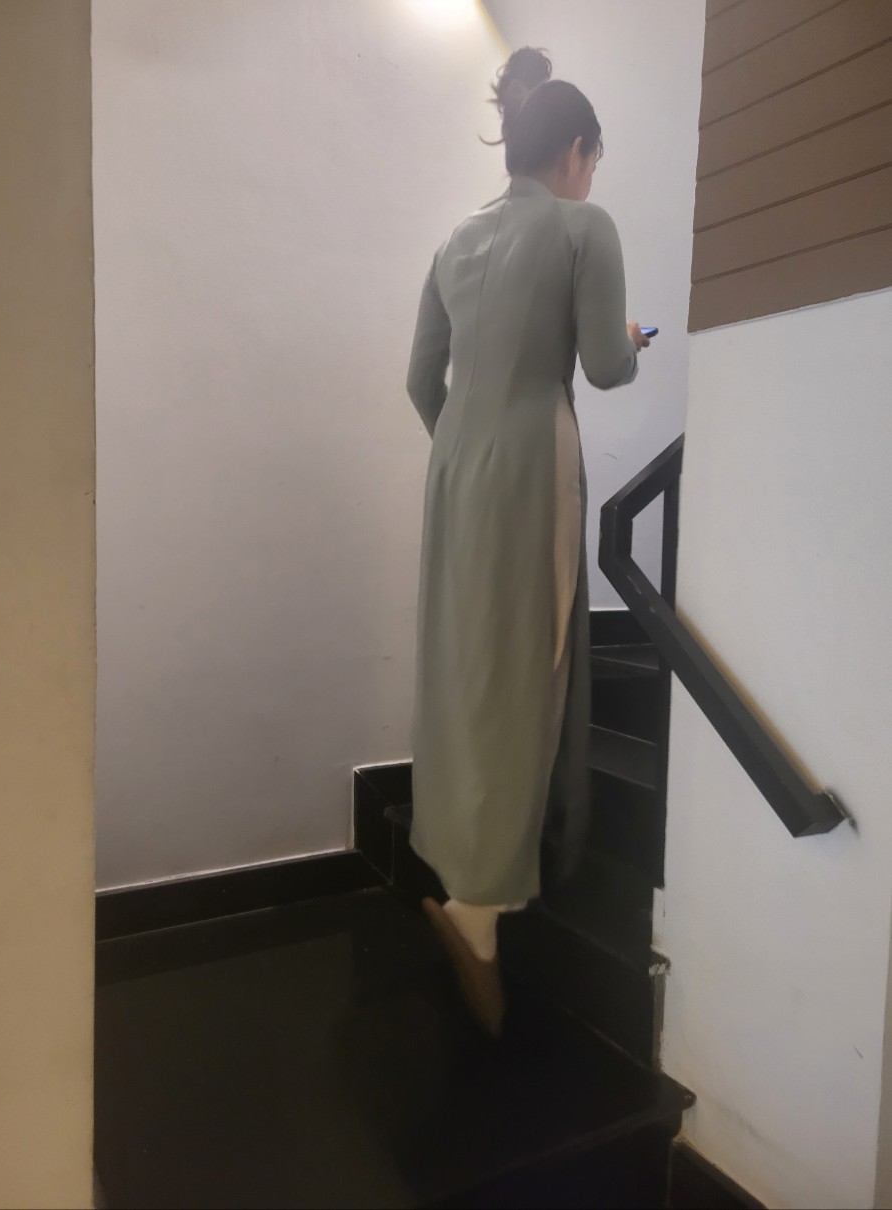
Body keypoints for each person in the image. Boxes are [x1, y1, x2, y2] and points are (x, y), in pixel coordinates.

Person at [406, 47, 649, 1036]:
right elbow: (602, 366)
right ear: (576, 150)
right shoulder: (585, 226)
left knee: (461, 666)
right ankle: (481, 904)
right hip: (532, 469)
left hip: (454, 471)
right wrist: (632, 344)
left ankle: (447, 848)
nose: (590, 176)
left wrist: (467, 455)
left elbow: (420, 380)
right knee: (524, 672)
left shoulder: (454, 240)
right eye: (593, 159)